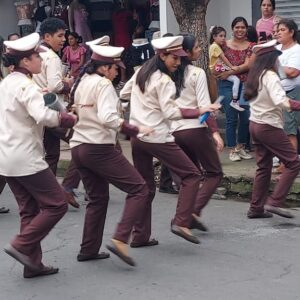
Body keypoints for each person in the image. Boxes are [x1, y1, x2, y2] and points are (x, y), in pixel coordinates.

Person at [120, 36, 221, 247]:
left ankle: (140, 236)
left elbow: (124, 93)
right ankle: (181, 221)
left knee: (146, 187)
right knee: (192, 175)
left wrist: (136, 113)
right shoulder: (164, 80)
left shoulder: (141, 72)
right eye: (174, 58)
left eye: (180, 57)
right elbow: (170, 112)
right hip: (158, 136)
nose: (177, 62)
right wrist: (199, 110)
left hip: (138, 136)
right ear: (162, 55)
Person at [69, 43, 153, 266]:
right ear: (105, 68)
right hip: (98, 147)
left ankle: (88, 249)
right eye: (115, 68)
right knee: (139, 188)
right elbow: (108, 118)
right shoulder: (104, 84)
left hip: (79, 147)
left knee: (98, 199)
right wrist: (134, 128)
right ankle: (120, 238)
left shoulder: (83, 81)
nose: (118, 71)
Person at [0, 33, 76, 278]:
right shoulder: (25, 85)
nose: (41, 61)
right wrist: (66, 117)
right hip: (25, 156)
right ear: (25, 62)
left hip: (7, 156)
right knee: (56, 204)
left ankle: (32, 264)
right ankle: (21, 244)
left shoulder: (8, 83)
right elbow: (45, 116)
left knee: (29, 210)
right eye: (36, 57)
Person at [170, 33, 224, 231]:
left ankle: (181, 217)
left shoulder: (169, 73)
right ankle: (192, 211)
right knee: (214, 172)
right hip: (194, 129)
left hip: (174, 130)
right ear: (187, 51)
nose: (201, 49)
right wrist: (215, 132)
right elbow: (204, 106)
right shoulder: (197, 73)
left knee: (189, 177)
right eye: (198, 46)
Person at [244, 40, 300, 219]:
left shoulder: (256, 74)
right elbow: (280, 100)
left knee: (263, 166)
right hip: (268, 125)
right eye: (277, 58)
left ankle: (256, 208)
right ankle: (274, 202)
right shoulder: (270, 76)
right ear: (271, 58)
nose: (279, 62)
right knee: (293, 162)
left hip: (255, 124)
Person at [32, 17, 81, 208]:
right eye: (60, 36)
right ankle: (67, 188)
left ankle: (46, 195)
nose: (63, 40)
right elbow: (55, 85)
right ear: (47, 36)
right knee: (82, 142)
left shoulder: (35, 53)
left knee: (51, 154)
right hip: (53, 109)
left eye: (64, 35)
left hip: (38, 110)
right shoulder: (51, 57)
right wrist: (67, 83)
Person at [216, 17, 254, 162]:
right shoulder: (223, 44)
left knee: (245, 118)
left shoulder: (251, 46)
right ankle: (232, 149)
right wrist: (222, 73)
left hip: (245, 85)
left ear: (246, 29)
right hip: (226, 85)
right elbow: (217, 63)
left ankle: (241, 147)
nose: (240, 30)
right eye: (237, 27)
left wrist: (230, 72)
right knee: (231, 119)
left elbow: (248, 65)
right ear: (232, 28)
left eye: (243, 27)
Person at [274, 19, 300, 174]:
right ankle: (284, 159)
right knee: (279, 128)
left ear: (291, 32)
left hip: (291, 92)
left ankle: (290, 164)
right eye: (277, 30)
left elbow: (293, 72)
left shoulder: (297, 50)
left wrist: (274, 67)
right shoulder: (276, 48)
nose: (278, 33)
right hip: (275, 93)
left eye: (282, 30)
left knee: (289, 128)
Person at [209, 26, 243, 112]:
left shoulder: (212, 46)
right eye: (220, 36)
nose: (223, 38)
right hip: (218, 68)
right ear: (214, 36)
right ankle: (235, 101)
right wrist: (232, 67)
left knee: (233, 80)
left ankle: (218, 104)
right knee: (236, 79)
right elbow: (223, 58)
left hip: (216, 69)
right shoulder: (215, 47)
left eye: (224, 36)